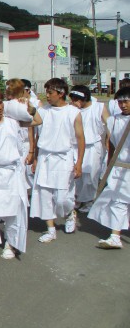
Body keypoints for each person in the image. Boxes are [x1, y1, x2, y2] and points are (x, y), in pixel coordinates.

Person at [0, 88, 41, 261]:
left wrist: (28, 106)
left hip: (13, 172)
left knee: (15, 210)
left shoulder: (13, 121)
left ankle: (10, 243)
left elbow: (37, 120)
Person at [30, 78, 85, 242]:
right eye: (46, 91)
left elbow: (81, 139)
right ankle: (50, 229)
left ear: (61, 93)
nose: (47, 95)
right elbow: (37, 133)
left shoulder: (73, 112)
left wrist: (79, 163)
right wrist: (35, 158)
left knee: (62, 198)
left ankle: (69, 213)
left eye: (50, 92)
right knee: (45, 196)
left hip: (64, 158)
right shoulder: (43, 111)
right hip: (46, 157)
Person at [87, 86, 130, 249]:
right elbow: (112, 144)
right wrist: (109, 164)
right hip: (120, 167)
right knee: (118, 201)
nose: (123, 105)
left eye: (126, 101)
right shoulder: (113, 120)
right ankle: (115, 236)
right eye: (120, 102)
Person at [69, 85, 109, 213]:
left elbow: (111, 125)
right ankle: (78, 199)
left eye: (76, 100)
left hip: (93, 146)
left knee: (91, 175)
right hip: (76, 146)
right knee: (76, 175)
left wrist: (109, 140)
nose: (74, 103)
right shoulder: (73, 110)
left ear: (85, 98)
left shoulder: (99, 107)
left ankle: (90, 200)